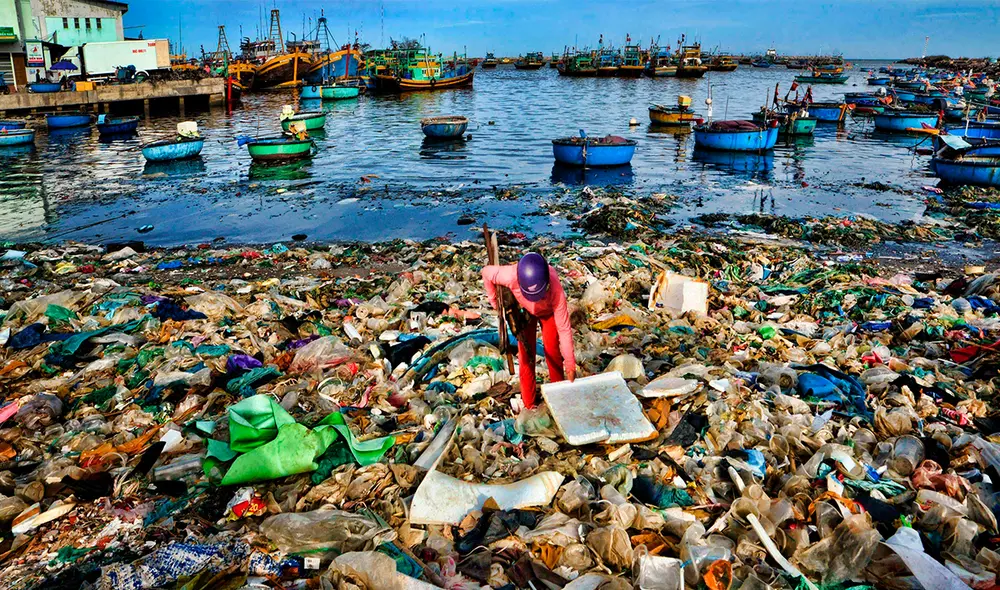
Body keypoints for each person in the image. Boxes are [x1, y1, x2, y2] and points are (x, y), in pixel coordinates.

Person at [482, 252, 576, 409]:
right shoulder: (510, 276)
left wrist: (571, 365)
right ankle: (529, 404)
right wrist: (495, 303)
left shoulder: (555, 290)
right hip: (524, 311)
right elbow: (486, 272)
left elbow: (564, 330)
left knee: (552, 351)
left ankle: (559, 399)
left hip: (548, 313)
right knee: (526, 355)